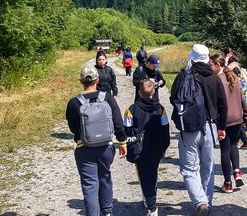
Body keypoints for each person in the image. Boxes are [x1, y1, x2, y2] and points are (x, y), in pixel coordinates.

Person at [170, 44, 228, 216]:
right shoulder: (214, 78)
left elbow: (173, 98)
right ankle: (206, 203)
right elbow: (223, 104)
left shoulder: (183, 75)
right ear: (207, 58)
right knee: (207, 168)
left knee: (189, 169)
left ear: (192, 58)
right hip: (210, 127)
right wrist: (222, 127)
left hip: (189, 128)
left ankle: (200, 202)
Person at [65, 67, 127, 216]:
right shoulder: (107, 98)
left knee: (90, 185)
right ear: (97, 80)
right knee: (105, 178)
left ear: (81, 81)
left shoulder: (74, 103)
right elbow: (118, 121)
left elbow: (73, 128)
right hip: (106, 148)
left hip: (84, 149)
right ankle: (107, 212)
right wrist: (122, 142)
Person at [124, 80, 170, 216]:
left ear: (139, 92)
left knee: (143, 175)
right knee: (153, 172)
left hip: (139, 148)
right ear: (154, 92)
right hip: (156, 146)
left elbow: (127, 129)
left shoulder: (131, 109)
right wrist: (164, 147)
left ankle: (151, 206)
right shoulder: (160, 109)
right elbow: (165, 128)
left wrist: (128, 146)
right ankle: (150, 196)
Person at [210, 53, 247, 193]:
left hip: (224, 120)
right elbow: (242, 99)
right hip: (237, 118)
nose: (209, 67)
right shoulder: (234, 77)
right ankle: (237, 172)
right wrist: (246, 117)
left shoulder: (215, 80)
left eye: (211, 65)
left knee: (225, 150)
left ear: (218, 65)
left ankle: (227, 183)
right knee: (234, 145)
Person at [228, 55, 247, 150]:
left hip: (239, 105)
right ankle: (237, 140)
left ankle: (245, 142)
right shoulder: (243, 82)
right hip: (244, 103)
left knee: (240, 125)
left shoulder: (236, 83)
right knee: (239, 124)